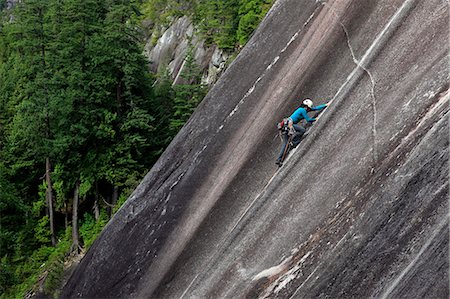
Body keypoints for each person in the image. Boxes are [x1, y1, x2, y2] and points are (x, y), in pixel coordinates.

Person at [276, 98, 329, 166]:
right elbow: (308, 119)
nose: (309, 109)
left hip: (287, 124)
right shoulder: (303, 110)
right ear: (306, 106)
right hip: (289, 125)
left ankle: (279, 158)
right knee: (302, 130)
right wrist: (316, 119)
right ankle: (293, 143)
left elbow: (315, 108)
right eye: (308, 107)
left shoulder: (303, 109)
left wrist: (325, 105)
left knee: (286, 143)